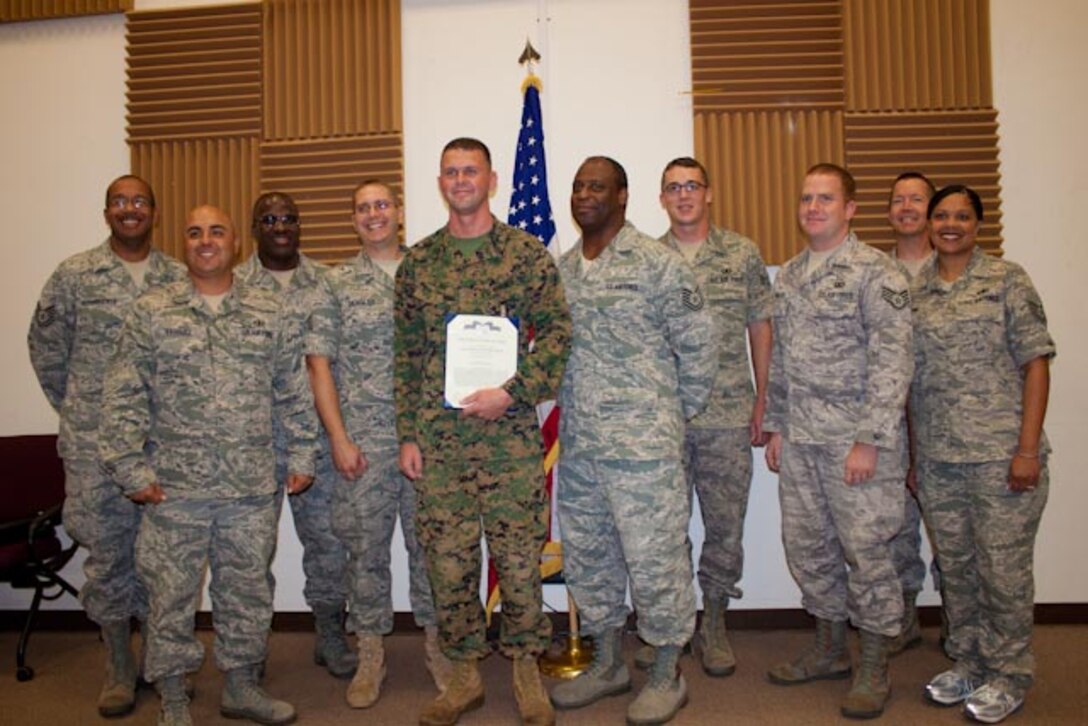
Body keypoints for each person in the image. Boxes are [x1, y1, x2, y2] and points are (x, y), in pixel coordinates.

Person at [99, 205, 318, 726]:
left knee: (246, 590)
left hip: (249, 487)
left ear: (234, 242)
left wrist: (304, 453)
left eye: (216, 231)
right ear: (185, 242)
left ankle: (241, 686)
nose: (205, 241)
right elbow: (122, 394)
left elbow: (292, 390)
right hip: (174, 489)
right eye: (194, 232)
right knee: (169, 596)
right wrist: (130, 471)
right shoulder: (152, 310)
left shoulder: (269, 310)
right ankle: (174, 695)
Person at [394, 137, 571, 726]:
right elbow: (407, 355)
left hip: (510, 439)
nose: (461, 180)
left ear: (493, 180)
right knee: (447, 561)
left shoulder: (526, 256)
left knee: (519, 559)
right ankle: (466, 671)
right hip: (440, 444)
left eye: (471, 171)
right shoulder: (418, 264)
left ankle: (525, 666)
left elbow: (558, 338)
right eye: (450, 172)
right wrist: (408, 435)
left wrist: (512, 393)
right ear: (440, 182)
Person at [549, 156, 717, 725]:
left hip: (644, 452)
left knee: (656, 562)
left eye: (597, 185)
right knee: (590, 559)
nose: (584, 194)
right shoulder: (564, 269)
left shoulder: (657, 263)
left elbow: (699, 345)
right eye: (577, 186)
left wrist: (671, 415)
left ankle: (667, 672)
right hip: (582, 450)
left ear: (622, 196)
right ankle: (607, 663)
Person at [27, 175, 186, 718]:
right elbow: (46, 351)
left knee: (162, 559)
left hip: (161, 445)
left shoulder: (177, 276)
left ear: (154, 212)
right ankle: (119, 663)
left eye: (139, 200)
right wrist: (81, 409)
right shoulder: (75, 275)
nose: (130, 209)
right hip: (95, 449)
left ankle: (158, 661)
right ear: (106, 213)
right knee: (108, 554)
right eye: (120, 201)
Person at [764, 163, 913, 719]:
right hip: (801, 439)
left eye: (825, 198)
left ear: (850, 208)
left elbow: (894, 361)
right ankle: (829, 648)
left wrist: (870, 439)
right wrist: (777, 425)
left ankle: (874, 663)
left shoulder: (878, 273)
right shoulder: (792, 274)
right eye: (806, 198)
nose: (813, 208)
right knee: (809, 547)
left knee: (867, 551)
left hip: (856, 441)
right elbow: (781, 359)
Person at [911, 185, 1054, 724]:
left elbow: (1036, 363)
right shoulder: (917, 289)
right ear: (928, 224)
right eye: (941, 215)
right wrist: (912, 457)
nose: (951, 224)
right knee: (957, 568)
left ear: (978, 224)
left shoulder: (1006, 280)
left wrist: (1026, 450)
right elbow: (911, 382)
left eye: (962, 216)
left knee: (1004, 572)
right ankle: (969, 662)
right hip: (940, 457)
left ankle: (1010, 673)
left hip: (1001, 457)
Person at [306, 180, 449, 708]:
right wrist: (338, 439)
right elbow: (319, 364)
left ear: (400, 212)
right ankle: (370, 654)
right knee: (364, 551)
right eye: (363, 208)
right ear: (353, 219)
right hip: (362, 445)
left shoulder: (430, 272)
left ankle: (439, 647)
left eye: (382, 205)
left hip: (425, 443)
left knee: (431, 548)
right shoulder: (334, 283)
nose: (374, 215)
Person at [643, 156, 772, 677]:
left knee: (724, 525)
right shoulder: (647, 258)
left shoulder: (741, 253)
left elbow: (760, 327)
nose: (683, 195)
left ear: (709, 193)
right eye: (673, 187)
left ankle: (714, 620)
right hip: (663, 420)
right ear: (662, 198)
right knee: (663, 528)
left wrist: (765, 399)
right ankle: (670, 625)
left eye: (692, 185)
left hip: (726, 414)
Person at [234, 192, 356, 679]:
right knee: (248, 551)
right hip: (253, 441)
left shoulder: (326, 282)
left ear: (299, 225)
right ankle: (248, 649)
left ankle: (329, 635)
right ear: (254, 226)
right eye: (269, 218)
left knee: (327, 543)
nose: (280, 226)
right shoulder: (232, 283)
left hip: (318, 438)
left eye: (288, 218)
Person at [885, 171, 940, 655]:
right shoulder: (874, 271)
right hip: (891, 423)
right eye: (898, 200)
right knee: (897, 527)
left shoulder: (954, 266)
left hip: (948, 422)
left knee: (951, 531)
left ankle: (960, 619)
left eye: (916, 199)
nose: (906, 207)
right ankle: (905, 614)